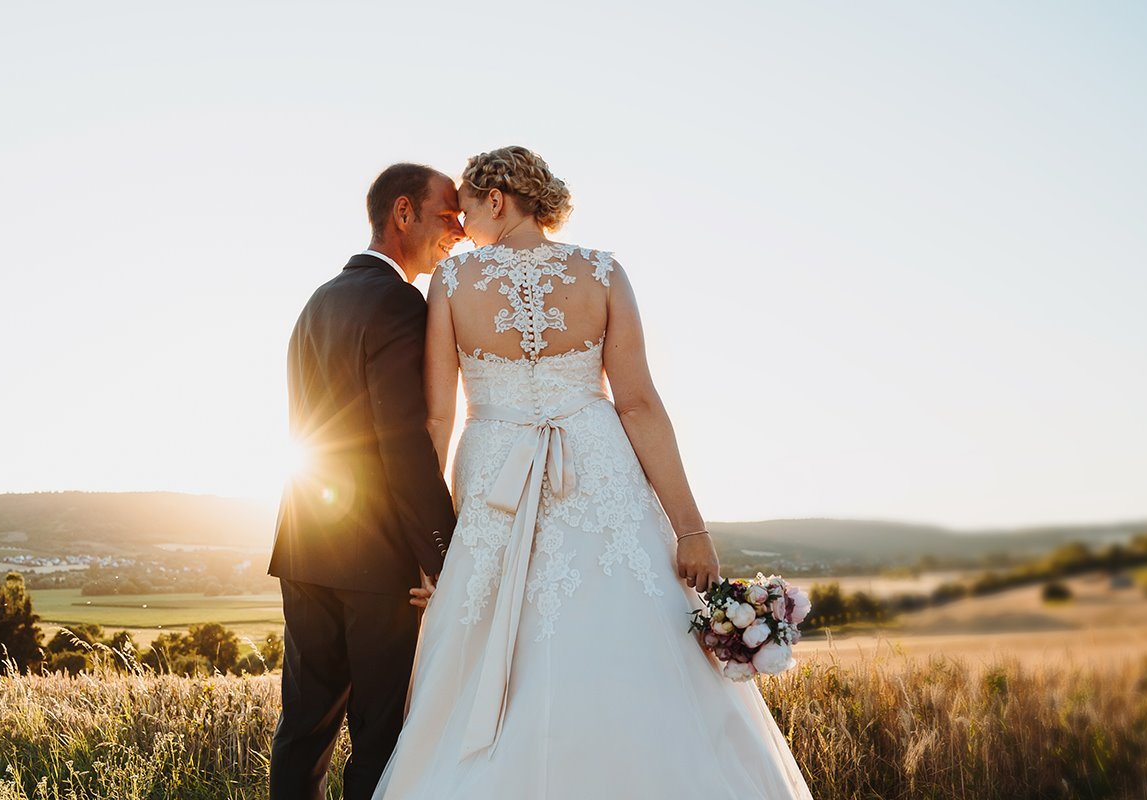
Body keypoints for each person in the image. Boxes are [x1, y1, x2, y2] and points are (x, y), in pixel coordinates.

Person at [371, 147, 812, 798]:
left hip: (494, 468)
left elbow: (437, 422)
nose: (460, 224)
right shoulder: (604, 273)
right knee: (627, 624)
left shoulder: (454, 282)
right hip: (595, 459)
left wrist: (427, 552)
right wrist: (691, 529)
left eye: (464, 205)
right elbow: (637, 403)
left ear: (497, 200)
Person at [268, 163, 466, 799]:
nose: (459, 231)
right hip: (377, 560)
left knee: (303, 729)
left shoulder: (317, 300)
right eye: (447, 215)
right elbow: (402, 442)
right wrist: (442, 555)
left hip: (304, 547)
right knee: (378, 740)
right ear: (402, 213)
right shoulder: (397, 303)